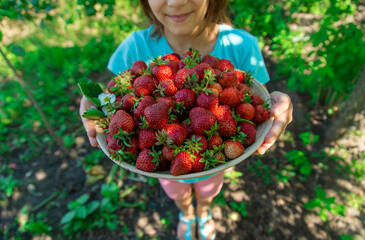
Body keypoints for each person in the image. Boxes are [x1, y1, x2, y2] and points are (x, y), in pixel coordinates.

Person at [79, 0, 293, 239]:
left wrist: (272, 102)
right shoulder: (134, 48)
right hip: (165, 163)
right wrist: (93, 103)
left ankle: (203, 212)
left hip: (214, 162)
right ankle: (187, 214)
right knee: (176, 191)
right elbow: (112, 94)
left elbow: (257, 94)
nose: (176, 1)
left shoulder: (242, 46)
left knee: (209, 189)